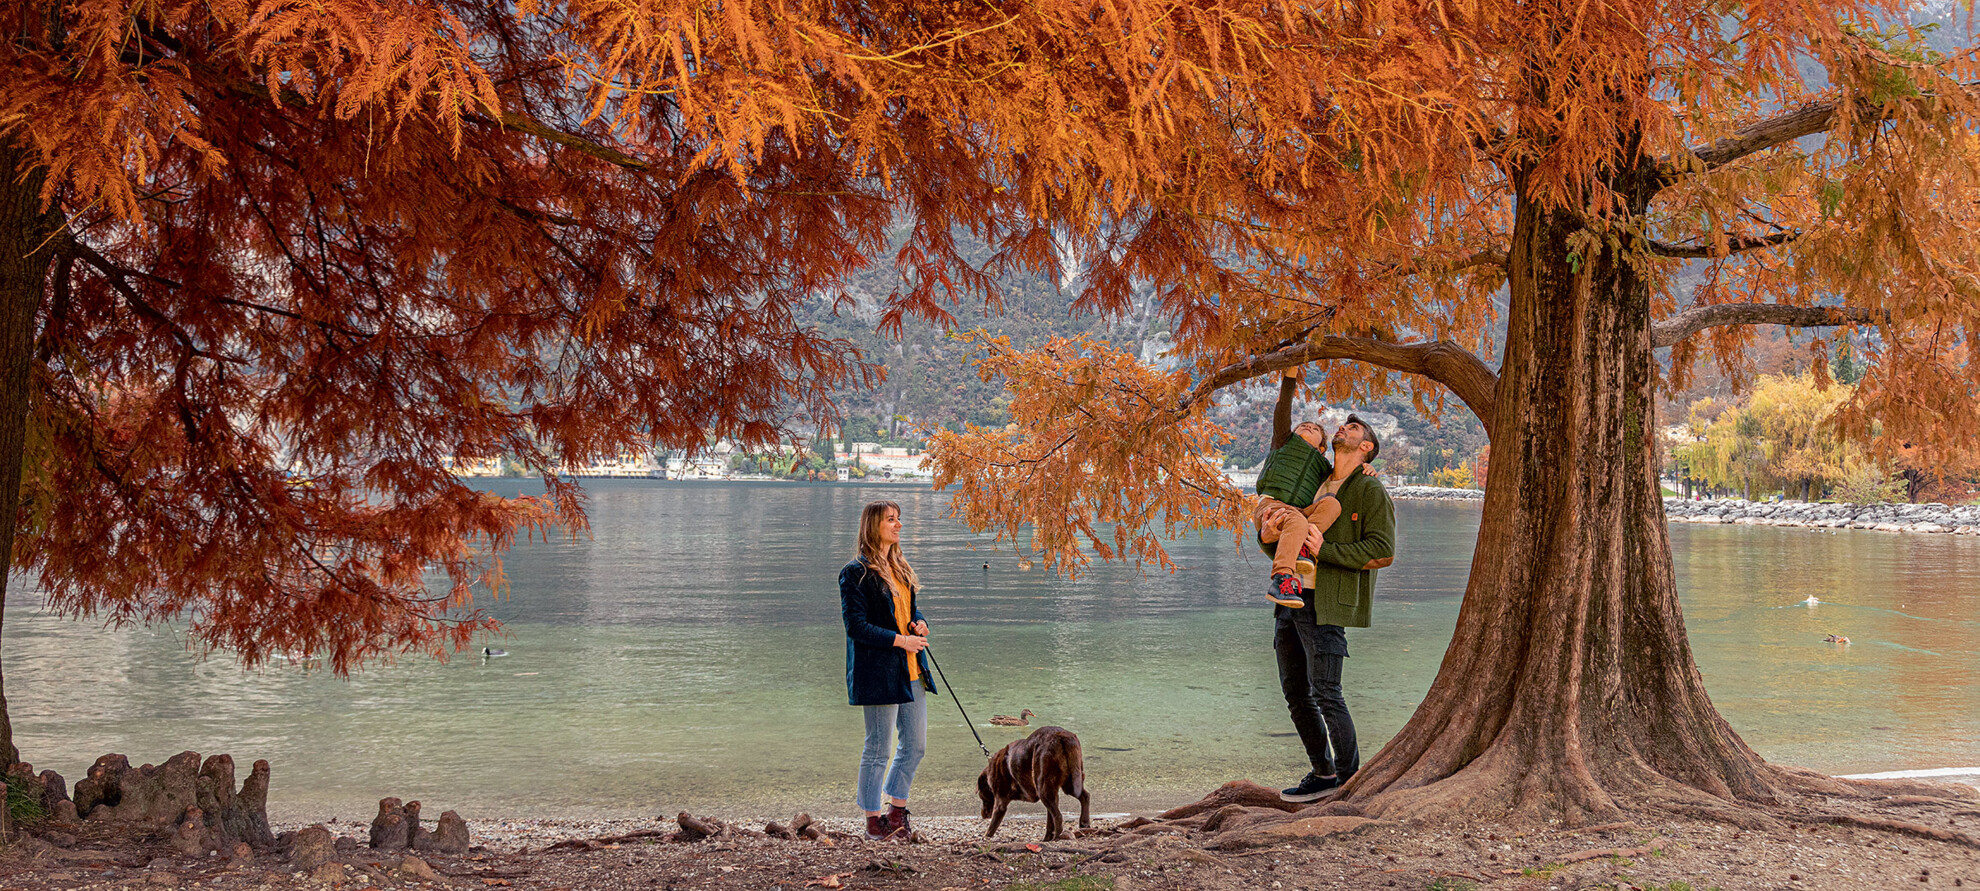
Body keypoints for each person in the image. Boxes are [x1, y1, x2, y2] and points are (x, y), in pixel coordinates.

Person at [1265, 379, 1396, 803]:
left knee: (1326, 692)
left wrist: (1330, 550)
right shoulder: (1317, 477)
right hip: (1289, 597)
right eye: (1345, 424)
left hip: (1325, 602)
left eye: (1355, 428)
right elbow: (1287, 530)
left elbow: (1383, 551)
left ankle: (1350, 780)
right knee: (1295, 692)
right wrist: (1269, 534)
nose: (1344, 427)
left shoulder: (1369, 488)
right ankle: (1322, 775)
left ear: (1367, 450)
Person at [839, 500, 937, 842]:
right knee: (878, 749)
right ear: (873, 526)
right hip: (879, 673)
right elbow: (856, 627)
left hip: (911, 671)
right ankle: (872, 821)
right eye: (890, 520)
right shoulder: (856, 572)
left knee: (915, 746)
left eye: (899, 520)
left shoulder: (900, 567)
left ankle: (897, 812)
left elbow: (908, 608)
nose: (898, 525)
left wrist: (920, 623)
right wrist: (900, 641)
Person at [1254, 371, 1344, 607]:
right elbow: (1283, 407)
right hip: (1271, 505)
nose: (1307, 426)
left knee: (1332, 504)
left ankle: (1303, 548)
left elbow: (1346, 472)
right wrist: (1290, 375)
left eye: (1314, 429)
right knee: (1296, 520)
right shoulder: (1283, 442)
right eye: (1303, 425)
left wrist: (1368, 467)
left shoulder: (1323, 466)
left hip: (1297, 515)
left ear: (1322, 448)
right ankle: (1281, 579)